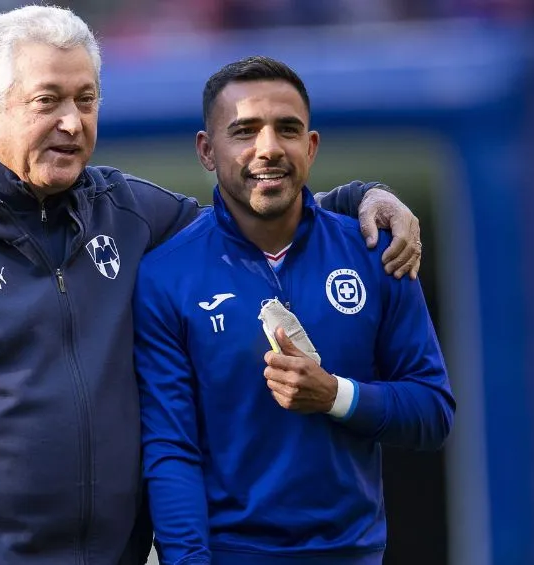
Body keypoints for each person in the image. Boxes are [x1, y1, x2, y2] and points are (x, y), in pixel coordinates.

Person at [0, 6, 424, 565]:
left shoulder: (127, 212)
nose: (72, 122)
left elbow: (244, 221)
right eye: (48, 100)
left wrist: (356, 198)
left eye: (87, 99)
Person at [133, 56, 456, 565]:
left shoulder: (376, 251)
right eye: (244, 131)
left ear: (311, 146)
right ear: (206, 150)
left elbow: (433, 411)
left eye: (287, 129)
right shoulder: (164, 276)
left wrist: (336, 395)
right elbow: (172, 449)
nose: (268, 148)